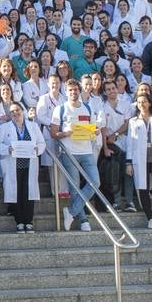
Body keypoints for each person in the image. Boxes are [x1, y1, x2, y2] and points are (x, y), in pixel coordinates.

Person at [51, 78, 102, 233]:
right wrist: (65, 133)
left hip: (86, 151)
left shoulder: (87, 108)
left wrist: (95, 132)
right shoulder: (60, 109)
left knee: (95, 182)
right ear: (66, 92)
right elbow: (53, 133)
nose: (73, 92)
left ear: (79, 91)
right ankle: (83, 220)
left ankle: (71, 212)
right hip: (69, 152)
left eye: (75, 90)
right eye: (70, 90)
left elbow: (93, 131)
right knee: (75, 187)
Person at [0, 101, 41, 232]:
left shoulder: (33, 126)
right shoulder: (4, 127)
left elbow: (41, 142)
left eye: (17, 110)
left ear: (23, 111)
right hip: (12, 165)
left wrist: (37, 149)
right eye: (12, 112)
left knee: (28, 193)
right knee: (16, 192)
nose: (15, 113)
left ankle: (29, 221)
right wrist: (7, 149)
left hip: (29, 165)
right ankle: (19, 221)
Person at [126, 92, 152, 229]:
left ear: (149, 103)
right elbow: (130, 143)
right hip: (140, 160)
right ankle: (150, 218)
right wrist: (129, 162)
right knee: (143, 189)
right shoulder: (133, 121)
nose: (142, 104)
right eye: (139, 102)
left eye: (144, 101)